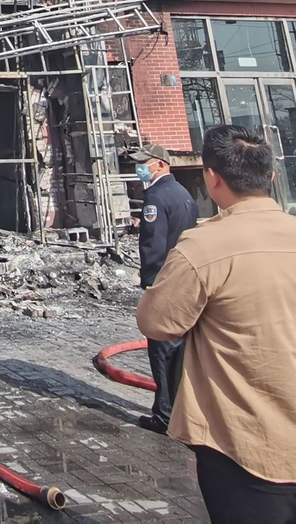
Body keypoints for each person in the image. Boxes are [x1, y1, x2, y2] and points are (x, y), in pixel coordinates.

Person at [137, 124, 296, 524]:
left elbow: (156, 321)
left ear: (212, 178)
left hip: (246, 449)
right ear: (270, 176)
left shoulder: (205, 246)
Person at [126, 141, 198, 435]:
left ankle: (165, 415)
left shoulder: (156, 196)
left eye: (145, 163)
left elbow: (152, 243)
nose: (140, 168)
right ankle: (182, 410)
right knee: (180, 351)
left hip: (164, 281)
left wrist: (150, 284)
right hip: (184, 280)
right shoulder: (183, 193)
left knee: (162, 349)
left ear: (161, 164)